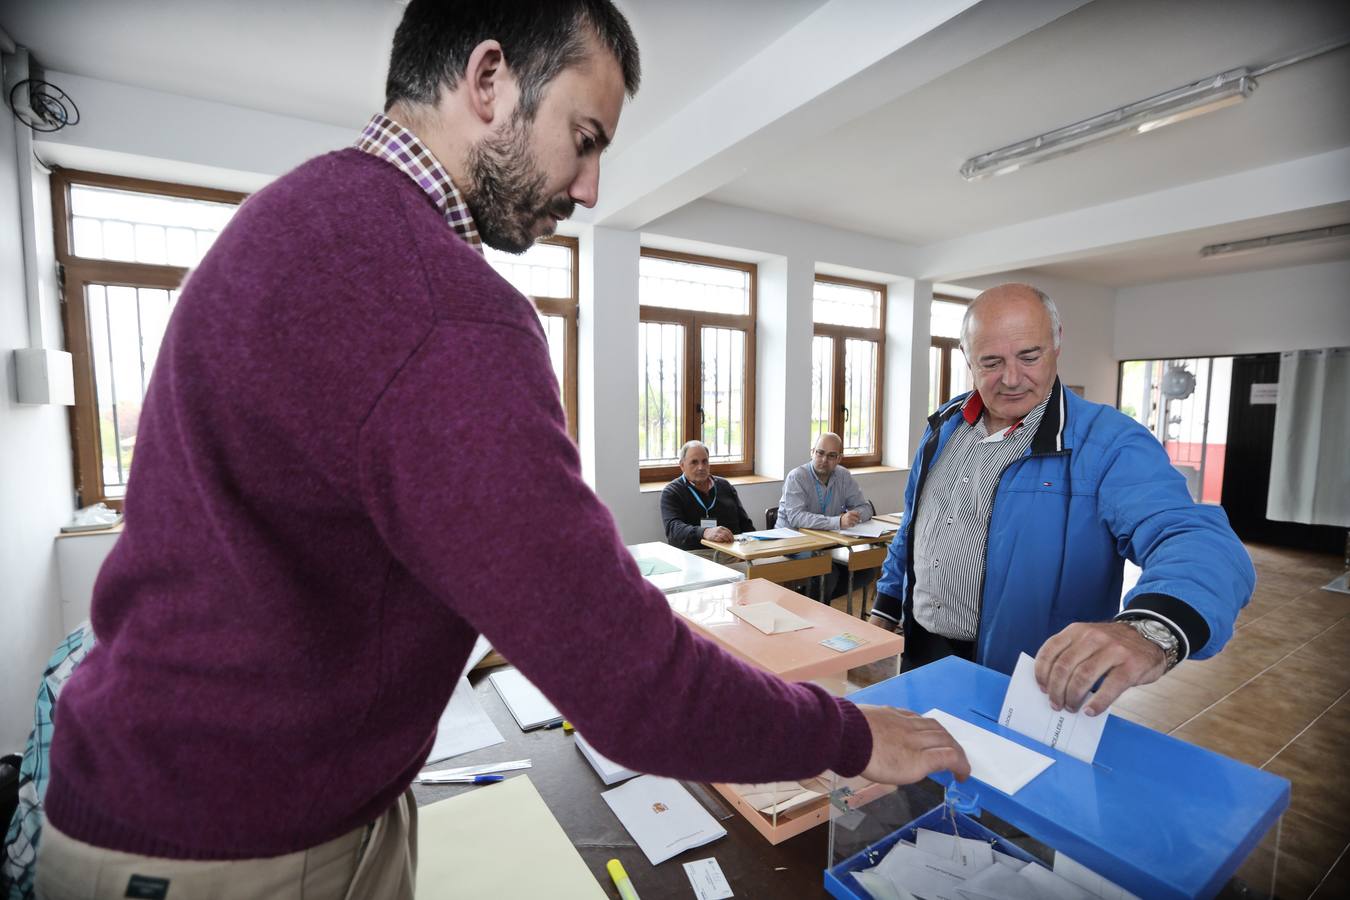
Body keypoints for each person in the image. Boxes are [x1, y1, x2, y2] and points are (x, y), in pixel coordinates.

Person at [39, 3, 968, 898]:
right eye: (587, 136)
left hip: (196, 790)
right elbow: (624, 678)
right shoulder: (442, 304)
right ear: (489, 79)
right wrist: (850, 734)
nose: (591, 185)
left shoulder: (296, 213)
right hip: (235, 839)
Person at [867, 283, 1253, 718]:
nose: (1011, 378)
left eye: (1029, 357)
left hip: (1032, 679)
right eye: (991, 362)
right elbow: (916, 528)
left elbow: (1192, 537)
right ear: (967, 358)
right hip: (923, 650)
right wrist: (885, 605)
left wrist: (1150, 630)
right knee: (920, 778)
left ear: (1056, 344)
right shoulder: (944, 427)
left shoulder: (1109, 444)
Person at [777, 432, 878, 599]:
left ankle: (807, 599)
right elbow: (796, 517)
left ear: (839, 458)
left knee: (865, 572)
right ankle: (815, 606)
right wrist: (838, 521)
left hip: (827, 542)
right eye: (820, 453)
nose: (824, 460)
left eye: (831, 456)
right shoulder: (797, 476)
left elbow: (865, 507)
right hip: (794, 541)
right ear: (812, 452)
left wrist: (855, 515)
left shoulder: (843, 475)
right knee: (828, 572)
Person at [661, 440, 755, 549]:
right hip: (695, 555)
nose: (701, 467)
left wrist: (753, 546)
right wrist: (704, 532)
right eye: (694, 462)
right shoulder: (672, 492)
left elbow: (745, 524)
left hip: (733, 551)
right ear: (682, 465)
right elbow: (674, 531)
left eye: (704, 461)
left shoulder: (724, 486)